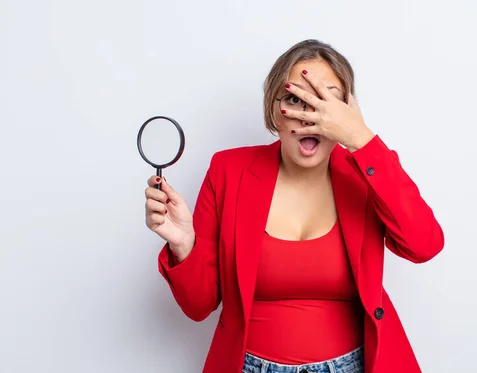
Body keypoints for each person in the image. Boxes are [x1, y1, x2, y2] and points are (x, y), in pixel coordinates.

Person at [144, 39, 444, 373]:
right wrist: (184, 244)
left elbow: (424, 245)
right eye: (294, 99)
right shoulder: (228, 171)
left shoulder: (368, 172)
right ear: (273, 109)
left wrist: (361, 138)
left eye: (325, 101)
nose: (308, 115)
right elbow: (199, 306)